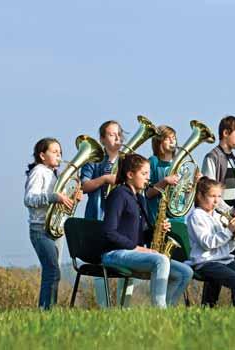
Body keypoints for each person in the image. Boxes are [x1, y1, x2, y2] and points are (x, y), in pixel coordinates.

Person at [100, 153, 193, 308]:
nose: (147, 178)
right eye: (144, 174)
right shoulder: (118, 195)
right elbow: (109, 232)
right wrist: (135, 247)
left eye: (148, 174)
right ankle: (159, 309)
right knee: (161, 260)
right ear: (130, 175)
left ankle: (168, 309)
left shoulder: (140, 198)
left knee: (185, 272)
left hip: (131, 252)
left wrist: (157, 230)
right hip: (114, 253)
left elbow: (141, 234)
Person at [80, 120, 134, 307]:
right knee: (99, 265)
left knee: (129, 262)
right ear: (102, 139)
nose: (117, 137)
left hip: (122, 221)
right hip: (98, 217)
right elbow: (84, 186)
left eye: (119, 134)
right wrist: (104, 179)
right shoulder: (93, 159)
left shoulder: (127, 161)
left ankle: (123, 306)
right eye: (112, 134)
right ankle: (105, 308)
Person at [186, 177, 235, 306]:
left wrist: (234, 236)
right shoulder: (196, 216)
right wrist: (228, 231)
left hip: (224, 259)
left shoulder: (218, 216)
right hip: (206, 262)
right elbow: (207, 243)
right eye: (212, 196)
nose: (217, 201)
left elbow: (227, 248)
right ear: (200, 196)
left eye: (219, 196)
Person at [199, 115, 235, 305]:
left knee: (232, 262)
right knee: (217, 264)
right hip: (220, 219)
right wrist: (229, 211)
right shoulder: (212, 157)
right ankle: (208, 305)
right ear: (225, 133)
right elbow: (209, 190)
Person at [24, 137, 78, 309]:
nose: (59, 155)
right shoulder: (39, 171)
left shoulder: (52, 174)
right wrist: (55, 197)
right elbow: (29, 199)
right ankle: (45, 310)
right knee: (52, 271)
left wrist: (72, 198)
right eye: (54, 152)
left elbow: (60, 202)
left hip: (54, 229)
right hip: (40, 229)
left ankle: (49, 310)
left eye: (60, 152)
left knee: (54, 273)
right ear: (42, 155)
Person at [145, 125, 183, 224]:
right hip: (158, 218)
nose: (172, 141)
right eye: (167, 138)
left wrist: (189, 189)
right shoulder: (153, 161)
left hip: (178, 217)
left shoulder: (181, 164)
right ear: (159, 142)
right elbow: (147, 193)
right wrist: (165, 181)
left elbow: (182, 195)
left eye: (174, 138)